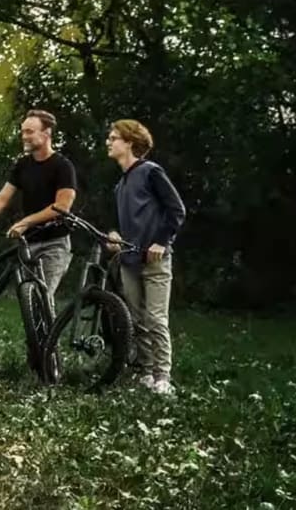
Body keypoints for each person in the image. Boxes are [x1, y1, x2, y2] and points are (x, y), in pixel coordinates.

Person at [0, 109, 78, 308]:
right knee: (29, 305)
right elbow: (2, 198)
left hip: (54, 244)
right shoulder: (23, 165)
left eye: (30, 131)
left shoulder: (63, 166)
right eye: (23, 132)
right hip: (27, 244)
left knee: (43, 300)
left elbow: (62, 206)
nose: (24, 137)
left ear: (46, 133)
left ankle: (49, 340)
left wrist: (25, 222)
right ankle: (36, 340)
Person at [103, 119, 185, 395]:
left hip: (155, 260)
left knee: (155, 318)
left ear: (129, 143)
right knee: (136, 320)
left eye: (113, 138)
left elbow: (176, 210)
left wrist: (161, 241)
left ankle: (163, 377)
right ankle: (146, 372)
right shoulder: (119, 185)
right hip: (129, 260)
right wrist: (115, 237)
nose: (108, 142)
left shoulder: (151, 172)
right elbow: (126, 223)